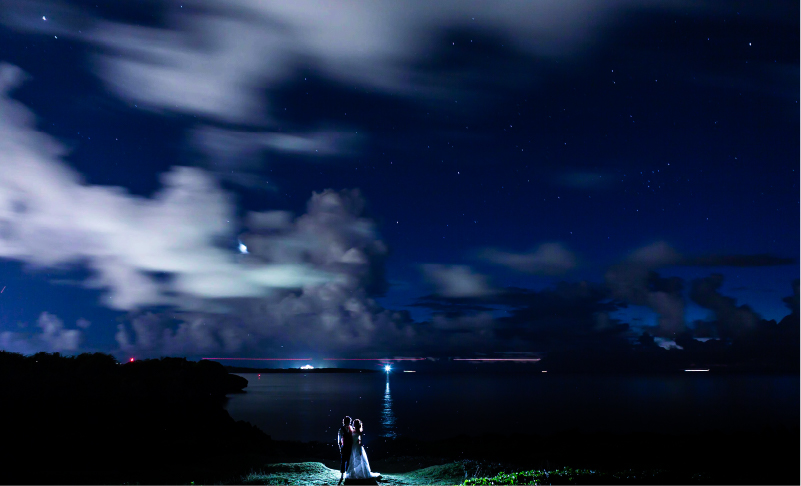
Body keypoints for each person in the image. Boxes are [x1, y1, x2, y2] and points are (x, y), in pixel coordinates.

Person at [337, 416, 354, 485]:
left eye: (349, 422)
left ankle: (347, 474)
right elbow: (339, 440)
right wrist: (340, 448)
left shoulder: (350, 428)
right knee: (343, 461)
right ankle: (342, 474)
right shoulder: (341, 429)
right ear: (345, 422)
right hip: (344, 447)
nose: (349, 423)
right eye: (348, 422)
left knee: (349, 460)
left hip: (350, 447)